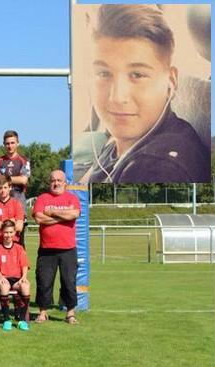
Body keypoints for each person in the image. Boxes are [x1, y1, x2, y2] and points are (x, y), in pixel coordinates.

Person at [84, 4, 209, 183]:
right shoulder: (128, 137)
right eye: (104, 73)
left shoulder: (156, 170)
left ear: (171, 81)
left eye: (137, 75)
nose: (117, 97)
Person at [32, 170, 81, 324]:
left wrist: (52, 212)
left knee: (68, 282)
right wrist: (63, 218)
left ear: (65, 183)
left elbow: (74, 214)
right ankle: (42, 312)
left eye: (59, 180)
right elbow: (39, 218)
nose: (56, 183)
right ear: (49, 182)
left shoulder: (72, 198)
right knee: (44, 281)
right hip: (47, 250)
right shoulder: (42, 198)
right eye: (53, 180)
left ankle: (70, 313)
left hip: (68, 249)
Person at [0, 220, 31, 331]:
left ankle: (22, 320)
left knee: (26, 286)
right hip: (4, 278)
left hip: (17, 279)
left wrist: (24, 277)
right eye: (6, 232)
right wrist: (1, 278)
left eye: (10, 232)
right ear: (2, 233)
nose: (8, 235)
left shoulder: (19, 248)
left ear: (14, 233)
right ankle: (7, 320)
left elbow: (24, 265)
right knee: (4, 287)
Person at [0, 130, 31, 205]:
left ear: (18, 143)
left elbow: (23, 180)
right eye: (7, 144)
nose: (10, 146)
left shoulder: (24, 160)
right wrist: (15, 179)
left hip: (18, 198)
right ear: (4, 144)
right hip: (1, 199)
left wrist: (3, 179)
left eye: (12, 143)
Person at [0, 174, 25, 247]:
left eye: (5, 187)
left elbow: (19, 227)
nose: (2, 190)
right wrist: (11, 221)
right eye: (0, 188)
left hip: (14, 243)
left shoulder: (17, 204)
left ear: (10, 188)